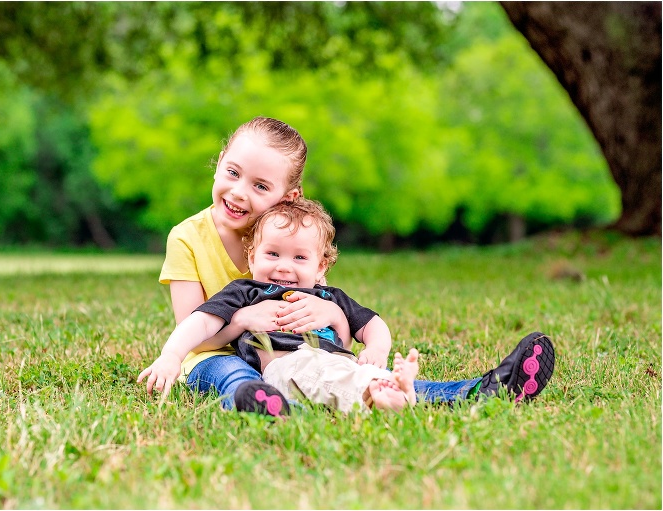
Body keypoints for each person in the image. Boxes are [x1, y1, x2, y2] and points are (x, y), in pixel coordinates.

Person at [149, 115, 555, 414]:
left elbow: (330, 322)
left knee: (360, 379)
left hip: (300, 355)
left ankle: (485, 389)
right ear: (220, 162)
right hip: (211, 355)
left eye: (260, 186)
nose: (239, 192)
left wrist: (335, 317)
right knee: (234, 374)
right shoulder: (187, 238)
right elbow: (197, 336)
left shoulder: (290, 243)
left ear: (289, 198)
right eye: (232, 173)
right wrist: (244, 319)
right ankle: (258, 405)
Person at [139, 198, 422, 414]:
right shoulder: (246, 291)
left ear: (320, 265)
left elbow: (373, 323)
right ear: (252, 258)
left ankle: (389, 388)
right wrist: (171, 356)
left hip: (338, 361)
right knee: (319, 376)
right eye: (272, 254)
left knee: (347, 373)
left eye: (299, 258)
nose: (284, 267)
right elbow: (199, 322)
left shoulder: (328, 296)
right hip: (284, 364)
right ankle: (380, 393)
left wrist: (376, 348)